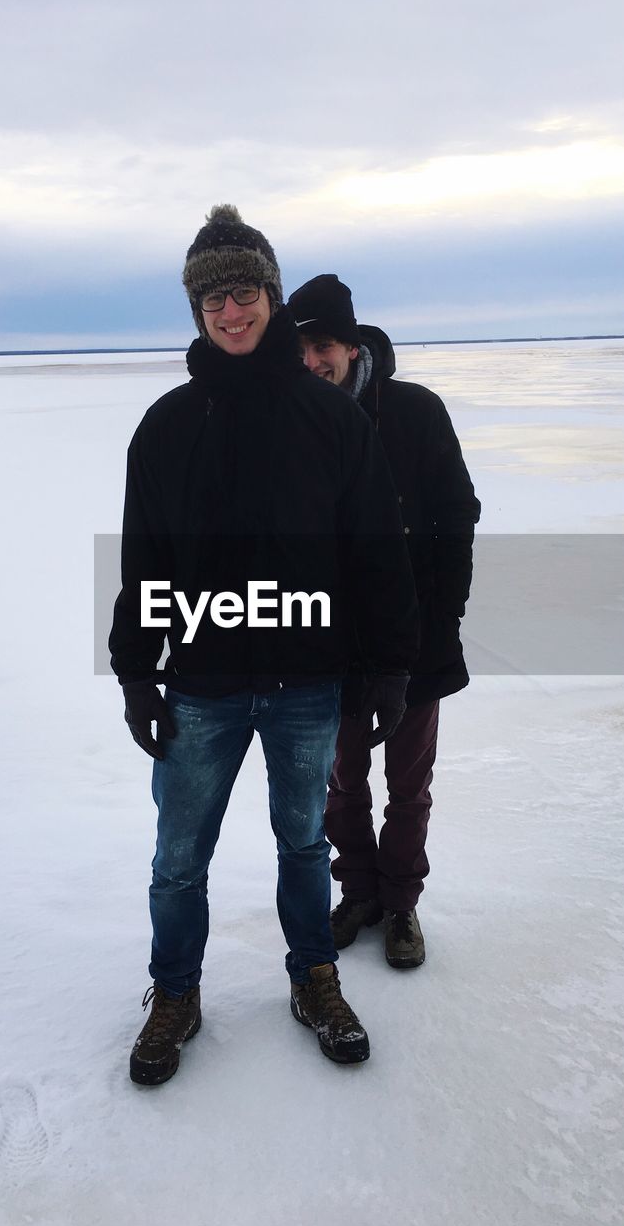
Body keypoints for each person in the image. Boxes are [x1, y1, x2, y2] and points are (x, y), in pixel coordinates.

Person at [110, 209, 418, 1085]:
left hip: (305, 683)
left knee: (302, 846)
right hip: (204, 682)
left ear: (271, 297)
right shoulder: (167, 425)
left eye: (243, 291)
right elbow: (146, 558)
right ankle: (175, 992)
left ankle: (313, 978)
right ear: (196, 311)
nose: (229, 310)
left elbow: (374, 554)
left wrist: (390, 664)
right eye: (211, 297)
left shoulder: (332, 420)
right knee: (178, 859)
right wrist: (139, 672)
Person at [287, 274, 480, 970]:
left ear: (351, 343)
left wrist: (445, 611)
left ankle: (401, 905)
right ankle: (359, 891)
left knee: (408, 783)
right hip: (328, 643)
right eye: (301, 349)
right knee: (341, 780)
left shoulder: (415, 412)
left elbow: (457, 513)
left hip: (416, 639)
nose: (314, 362)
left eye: (325, 346)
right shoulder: (294, 421)